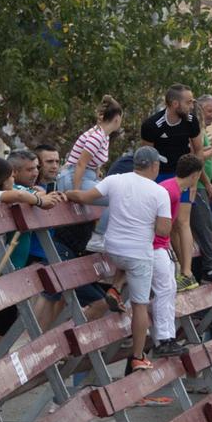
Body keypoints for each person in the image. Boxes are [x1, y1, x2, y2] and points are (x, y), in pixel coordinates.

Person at [61, 146, 174, 373]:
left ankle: (115, 288)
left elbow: (85, 196)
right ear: (154, 166)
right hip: (138, 254)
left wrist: (67, 194)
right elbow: (163, 230)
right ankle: (138, 356)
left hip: (112, 249)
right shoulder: (159, 191)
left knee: (127, 259)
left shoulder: (115, 180)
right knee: (140, 306)